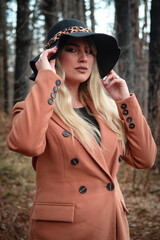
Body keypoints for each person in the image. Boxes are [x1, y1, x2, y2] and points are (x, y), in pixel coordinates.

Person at [7, 19, 157, 240]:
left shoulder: (104, 111)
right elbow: (25, 143)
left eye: (89, 51)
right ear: (53, 57)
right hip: (65, 230)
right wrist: (46, 79)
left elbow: (145, 158)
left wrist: (125, 101)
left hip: (110, 225)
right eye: (72, 49)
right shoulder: (34, 109)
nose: (84, 57)